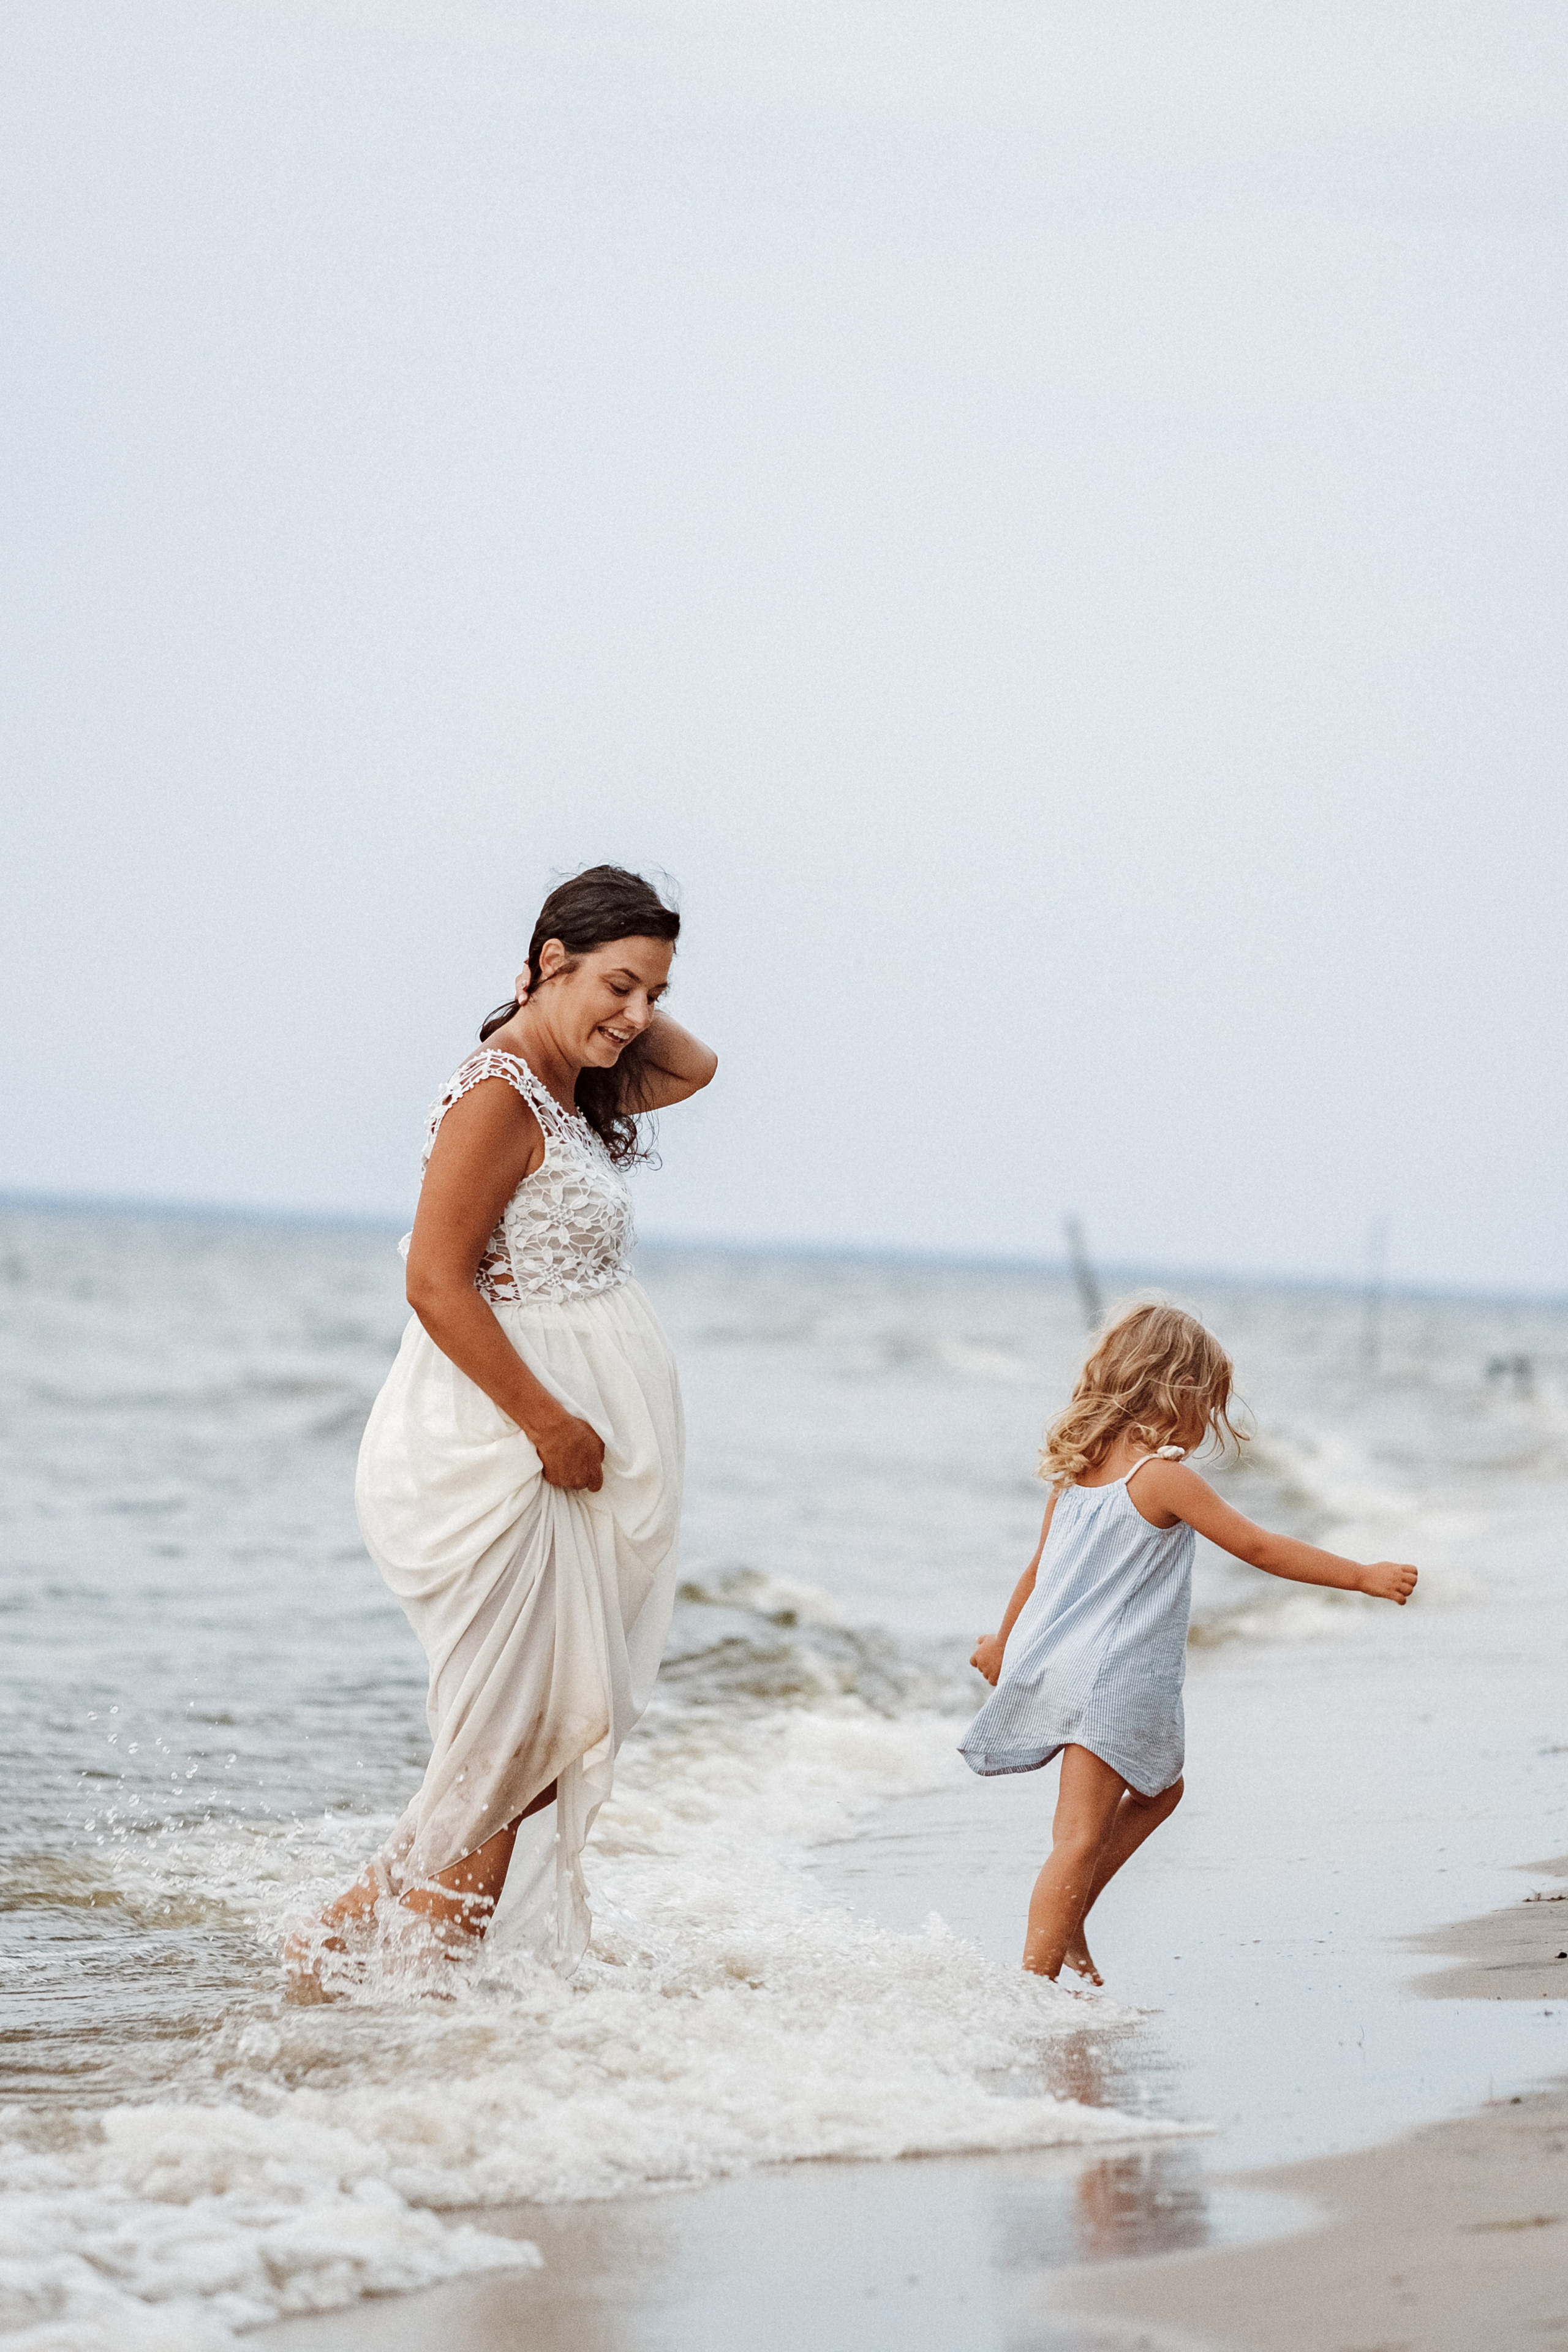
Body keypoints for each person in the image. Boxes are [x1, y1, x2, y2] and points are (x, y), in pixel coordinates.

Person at [288, 865, 717, 1993]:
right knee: (513, 1742)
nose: (637, 1019)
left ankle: (350, 1953)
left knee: (524, 1746)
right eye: (617, 986)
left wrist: (607, 1007)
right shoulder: (496, 1096)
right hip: (502, 1449)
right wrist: (548, 1425)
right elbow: (436, 1283)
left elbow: (696, 1066)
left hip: (559, 1451)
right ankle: (421, 2006)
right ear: (543, 958)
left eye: (654, 991)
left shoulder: (572, 1085)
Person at [962, 1301, 1417, 1985]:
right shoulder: (1162, 1478)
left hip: (1057, 1663)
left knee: (1158, 1791)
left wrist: (1003, 1643)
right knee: (1079, 1837)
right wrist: (1360, 1575)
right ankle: (1032, 1983)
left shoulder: (1078, 1475)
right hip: (1109, 1680)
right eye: (1208, 1402)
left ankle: (1071, 1915)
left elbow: (1036, 1571)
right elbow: (1258, 1547)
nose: (1208, 1421)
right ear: (1177, 1392)